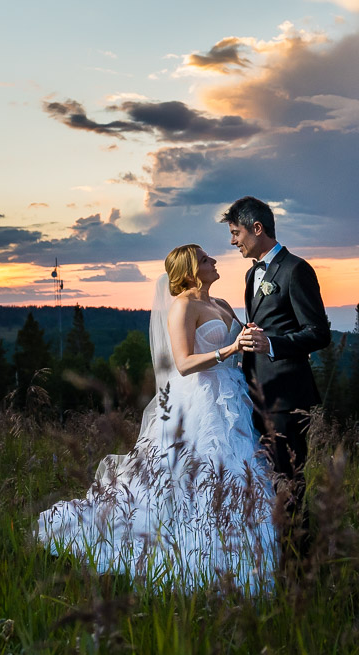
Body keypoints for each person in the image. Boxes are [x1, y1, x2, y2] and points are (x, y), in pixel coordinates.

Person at [35, 244, 278, 592]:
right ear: (191, 271)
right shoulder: (183, 307)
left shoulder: (222, 304)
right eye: (205, 259)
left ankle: (243, 553)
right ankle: (196, 549)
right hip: (197, 399)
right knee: (196, 473)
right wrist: (230, 348)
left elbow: (241, 340)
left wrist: (250, 338)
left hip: (231, 396)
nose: (213, 261)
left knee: (237, 471)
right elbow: (184, 363)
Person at [221, 196, 331, 560]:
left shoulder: (296, 270)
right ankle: (273, 557)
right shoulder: (252, 274)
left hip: (286, 397)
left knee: (289, 482)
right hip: (256, 394)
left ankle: (299, 563)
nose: (233, 242)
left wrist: (272, 344)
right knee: (266, 482)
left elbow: (319, 333)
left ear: (257, 228)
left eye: (236, 233)